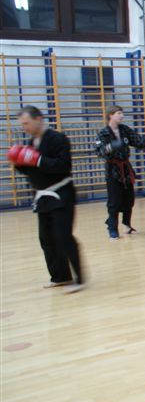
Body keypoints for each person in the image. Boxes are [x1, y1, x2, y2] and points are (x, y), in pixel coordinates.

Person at [6, 106, 85, 294]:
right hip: (42, 197)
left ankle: (80, 279)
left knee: (63, 236)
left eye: (26, 123)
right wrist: (18, 162)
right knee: (46, 238)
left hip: (61, 194)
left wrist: (38, 159)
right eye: (22, 124)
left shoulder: (58, 139)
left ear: (39, 119)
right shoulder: (31, 142)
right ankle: (61, 277)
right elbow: (32, 170)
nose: (24, 127)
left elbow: (63, 166)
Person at [95, 106, 145, 239]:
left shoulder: (124, 129)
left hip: (126, 168)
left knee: (129, 199)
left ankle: (127, 225)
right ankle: (112, 228)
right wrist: (111, 146)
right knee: (114, 201)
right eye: (119, 113)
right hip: (113, 170)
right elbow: (99, 152)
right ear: (111, 115)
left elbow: (137, 141)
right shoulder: (103, 133)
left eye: (122, 113)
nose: (122, 116)